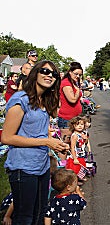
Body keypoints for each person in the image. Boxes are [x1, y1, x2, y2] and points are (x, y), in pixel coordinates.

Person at [1, 60, 70, 224]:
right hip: (23, 167)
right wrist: (47, 142)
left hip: (42, 166)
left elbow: (38, 133)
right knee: (25, 217)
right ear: (35, 73)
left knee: (40, 214)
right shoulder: (21, 99)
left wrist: (56, 143)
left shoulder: (43, 101)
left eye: (53, 74)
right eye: (45, 71)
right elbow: (7, 137)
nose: (49, 76)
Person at [58, 62, 83, 131]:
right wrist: (78, 90)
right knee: (67, 141)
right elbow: (72, 100)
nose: (78, 76)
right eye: (76, 74)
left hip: (75, 118)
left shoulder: (74, 82)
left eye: (80, 75)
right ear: (70, 72)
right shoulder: (66, 83)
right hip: (67, 119)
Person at [66, 116, 87, 182]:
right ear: (73, 126)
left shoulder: (82, 133)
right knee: (76, 168)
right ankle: (75, 182)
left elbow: (84, 143)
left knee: (82, 166)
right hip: (76, 155)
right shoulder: (74, 135)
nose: (80, 126)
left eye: (82, 124)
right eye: (77, 124)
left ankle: (80, 178)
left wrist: (85, 139)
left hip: (81, 153)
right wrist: (74, 158)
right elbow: (72, 147)